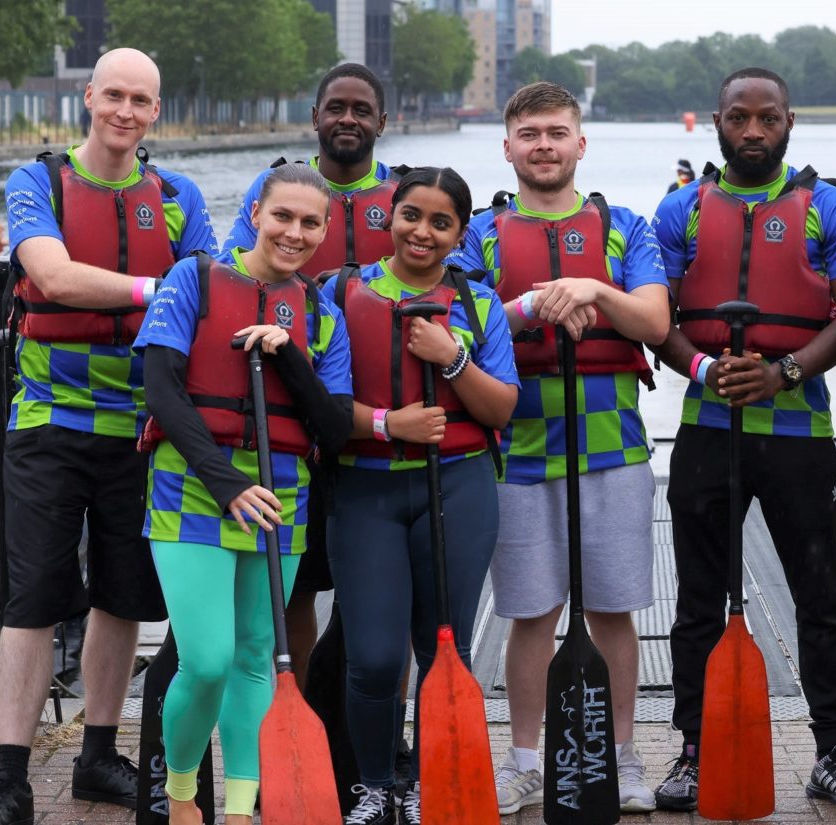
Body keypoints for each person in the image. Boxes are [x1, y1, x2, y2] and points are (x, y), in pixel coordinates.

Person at [0, 48, 217, 825]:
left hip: (140, 427)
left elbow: (213, 294)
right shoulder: (36, 181)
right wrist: (162, 287)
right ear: (88, 96)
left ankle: (98, 755)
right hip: (48, 422)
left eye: (142, 100)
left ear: (156, 111)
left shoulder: (178, 196)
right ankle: (9, 781)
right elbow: (56, 275)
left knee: (122, 597)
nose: (126, 111)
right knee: (33, 597)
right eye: (114, 94)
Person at [445, 81, 672, 815]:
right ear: (507, 147)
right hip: (516, 450)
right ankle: (523, 759)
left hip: (612, 447)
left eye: (557, 132)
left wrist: (591, 290)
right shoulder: (478, 235)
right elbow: (463, 330)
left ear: (581, 143)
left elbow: (655, 321)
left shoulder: (622, 225)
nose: (544, 144)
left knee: (611, 611)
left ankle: (622, 753)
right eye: (530, 133)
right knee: (531, 612)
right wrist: (529, 305)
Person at [648, 67, 836, 811]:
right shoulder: (680, 209)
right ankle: (694, 749)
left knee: (819, 597)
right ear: (716, 121)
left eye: (765, 119)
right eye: (738, 118)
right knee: (699, 600)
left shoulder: (826, 208)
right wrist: (704, 368)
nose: (751, 132)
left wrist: (786, 371)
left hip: (799, 433)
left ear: (789, 121)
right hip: (707, 431)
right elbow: (657, 318)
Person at [134, 162, 354, 825]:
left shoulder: (320, 313)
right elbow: (162, 390)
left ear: (326, 229)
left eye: (310, 221)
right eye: (282, 215)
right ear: (255, 212)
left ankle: (238, 810)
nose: (294, 231)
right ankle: (180, 797)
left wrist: (290, 355)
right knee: (205, 658)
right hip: (192, 489)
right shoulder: (194, 278)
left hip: (282, 497)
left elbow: (336, 427)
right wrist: (226, 483)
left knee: (257, 655)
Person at [328, 167, 520, 825]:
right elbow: (322, 407)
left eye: (441, 222)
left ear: (460, 233)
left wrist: (453, 357)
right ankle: (376, 785)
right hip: (365, 489)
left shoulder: (478, 305)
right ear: (390, 214)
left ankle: (429, 785)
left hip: (459, 486)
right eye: (412, 214)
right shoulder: (340, 293)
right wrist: (389, 424)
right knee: (375, 655)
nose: (423, 232)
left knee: (445, 649)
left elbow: (502, 410)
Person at [223, 62, 402, 694]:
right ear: (316, 116)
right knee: (293, 588)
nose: (347, 119)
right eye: (335, 108)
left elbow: (458, 286)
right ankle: (289, 715)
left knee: (371, 594)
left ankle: (364, 727)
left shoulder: (408, 196)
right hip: (295, 428)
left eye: (361, 109)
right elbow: (229, 281)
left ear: (383, 121)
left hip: (380, 430)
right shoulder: (279, 194)